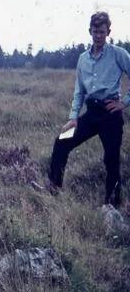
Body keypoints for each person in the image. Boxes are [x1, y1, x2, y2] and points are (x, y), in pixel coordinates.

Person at [47, 11, 130, 207]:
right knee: (61, 142)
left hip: (110, 114)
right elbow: (79, 91)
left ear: (108, 32)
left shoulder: (119, 54)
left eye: (102, 32)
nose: (98, 35)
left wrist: (123, 103)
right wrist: (73, 117)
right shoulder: (83, 59)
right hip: (91, 114)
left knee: (111, 159)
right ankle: (54, 190)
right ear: (89, 31)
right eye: (95, 31)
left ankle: (112, 205)